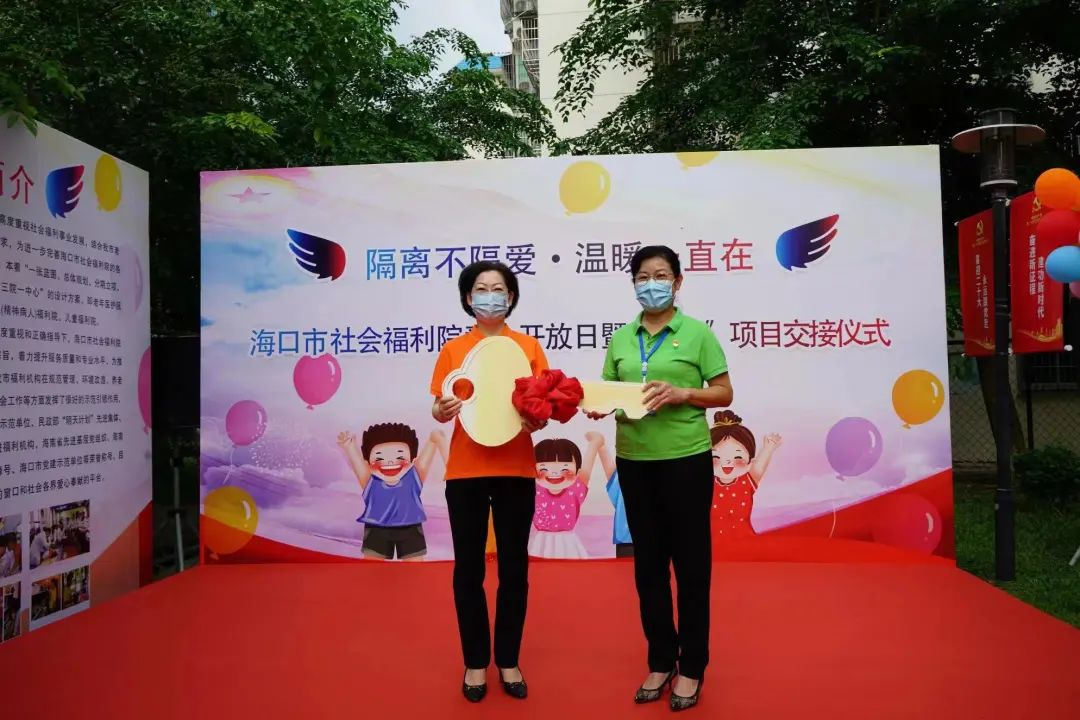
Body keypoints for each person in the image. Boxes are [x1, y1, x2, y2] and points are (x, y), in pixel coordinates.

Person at [588, 245, 733, 712]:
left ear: (677, 281)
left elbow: (724, 392)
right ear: (633, 284)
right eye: (643, 277)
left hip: (686, 460)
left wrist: (683, 393)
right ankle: (660, 659)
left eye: (661, 275)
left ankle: (692, 667)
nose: (652, 284)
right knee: (647, 567)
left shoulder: (697, 334)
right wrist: (598, 405)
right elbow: (609, 390)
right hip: (634, 461)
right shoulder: (621, 339)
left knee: (691, 567)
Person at [430, 260, 548, 703]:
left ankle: (509, 660)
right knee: (469, 570)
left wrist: (539, 417)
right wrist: (441, 411)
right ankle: (476, 662)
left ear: (511, 297)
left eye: (499, 289)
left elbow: (540, 407)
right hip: (466, 472)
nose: (490, 296)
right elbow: (440, 406)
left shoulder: (528, 347)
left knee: (515, 569)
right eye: (481, 288)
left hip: (516, 469)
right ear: (468, 298)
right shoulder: (454, 350)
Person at [336, 423, 445, 560]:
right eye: (379, 458)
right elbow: (358, 464)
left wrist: (433, 440)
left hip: (410, 527)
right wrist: (350, 447)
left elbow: (428, 452)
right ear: (368, 461)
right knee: (372, 568)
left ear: (412, 459)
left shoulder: (414, 476)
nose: (390, 462)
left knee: (415, 568)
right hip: (376, 528)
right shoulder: (370, 481)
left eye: (399, 457)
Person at [709, 410, 782, 544]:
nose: (727, 462)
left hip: (745, 543)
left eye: (737, 457)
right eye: (716, 456)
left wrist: (768, 448)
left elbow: (759, 466)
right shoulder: (704, 483)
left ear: (750, 461)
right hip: (712, 545)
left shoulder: (747, 481)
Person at [529, 434, 602, 559]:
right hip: (540, 543)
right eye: (544, 468)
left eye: (564, 468)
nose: (554, 473)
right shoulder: (533, 489)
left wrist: (594, 443)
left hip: (568, 544)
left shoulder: (575, 489)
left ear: (577, 472)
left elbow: (587, 469)